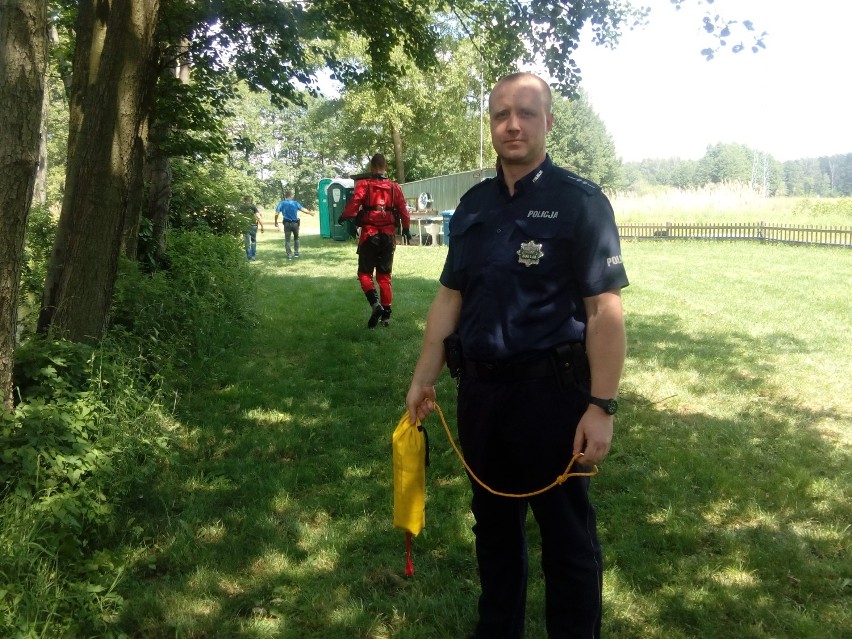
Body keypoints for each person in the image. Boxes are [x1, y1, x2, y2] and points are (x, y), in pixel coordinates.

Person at [405, 72, 628, 639]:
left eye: (526, 113)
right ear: (491, 123)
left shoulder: (581, 203)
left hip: (552, 398)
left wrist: (600, 405)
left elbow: (604, 311)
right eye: (501, 113)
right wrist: (422, 378)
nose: (512, 124)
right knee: (494, 532)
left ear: (548, 122)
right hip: (480, 396)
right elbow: (449, 297)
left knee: (567, 540)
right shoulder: (473, 206)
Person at [339, 153, 412, 328]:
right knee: (384, 277)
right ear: (386, 167)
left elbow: (355, 202)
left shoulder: (364, 185)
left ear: (372, 167)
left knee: (364, 274)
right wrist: (407, 229)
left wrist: (344, 216)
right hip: (388, 238)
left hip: (369, 236)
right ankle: (386, 316)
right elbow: (403, 210)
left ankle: (375, 304)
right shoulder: (395, 188)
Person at [274, 191, 315, 260]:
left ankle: (289, 255)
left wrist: (275, 221)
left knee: (287, 240)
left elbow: (276, 213)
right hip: (295, 224)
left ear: (286, 196)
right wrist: (310, 213)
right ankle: (296, 253)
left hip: (287, 223)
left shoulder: (282, 203)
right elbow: (303, 210)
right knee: (296, 238)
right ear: (290, 196)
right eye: (292, 195)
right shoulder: (295, 203)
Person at [241, 196, 264, 260]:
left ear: (244, 200)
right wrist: (262, 226)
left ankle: (249, 257)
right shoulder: (253, 207)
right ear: (250, 200)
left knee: (247, 242)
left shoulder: (241, 207)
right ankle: (253, 256)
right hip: (253, 225)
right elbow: (258, 216)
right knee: (253, 241)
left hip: (245, 225)